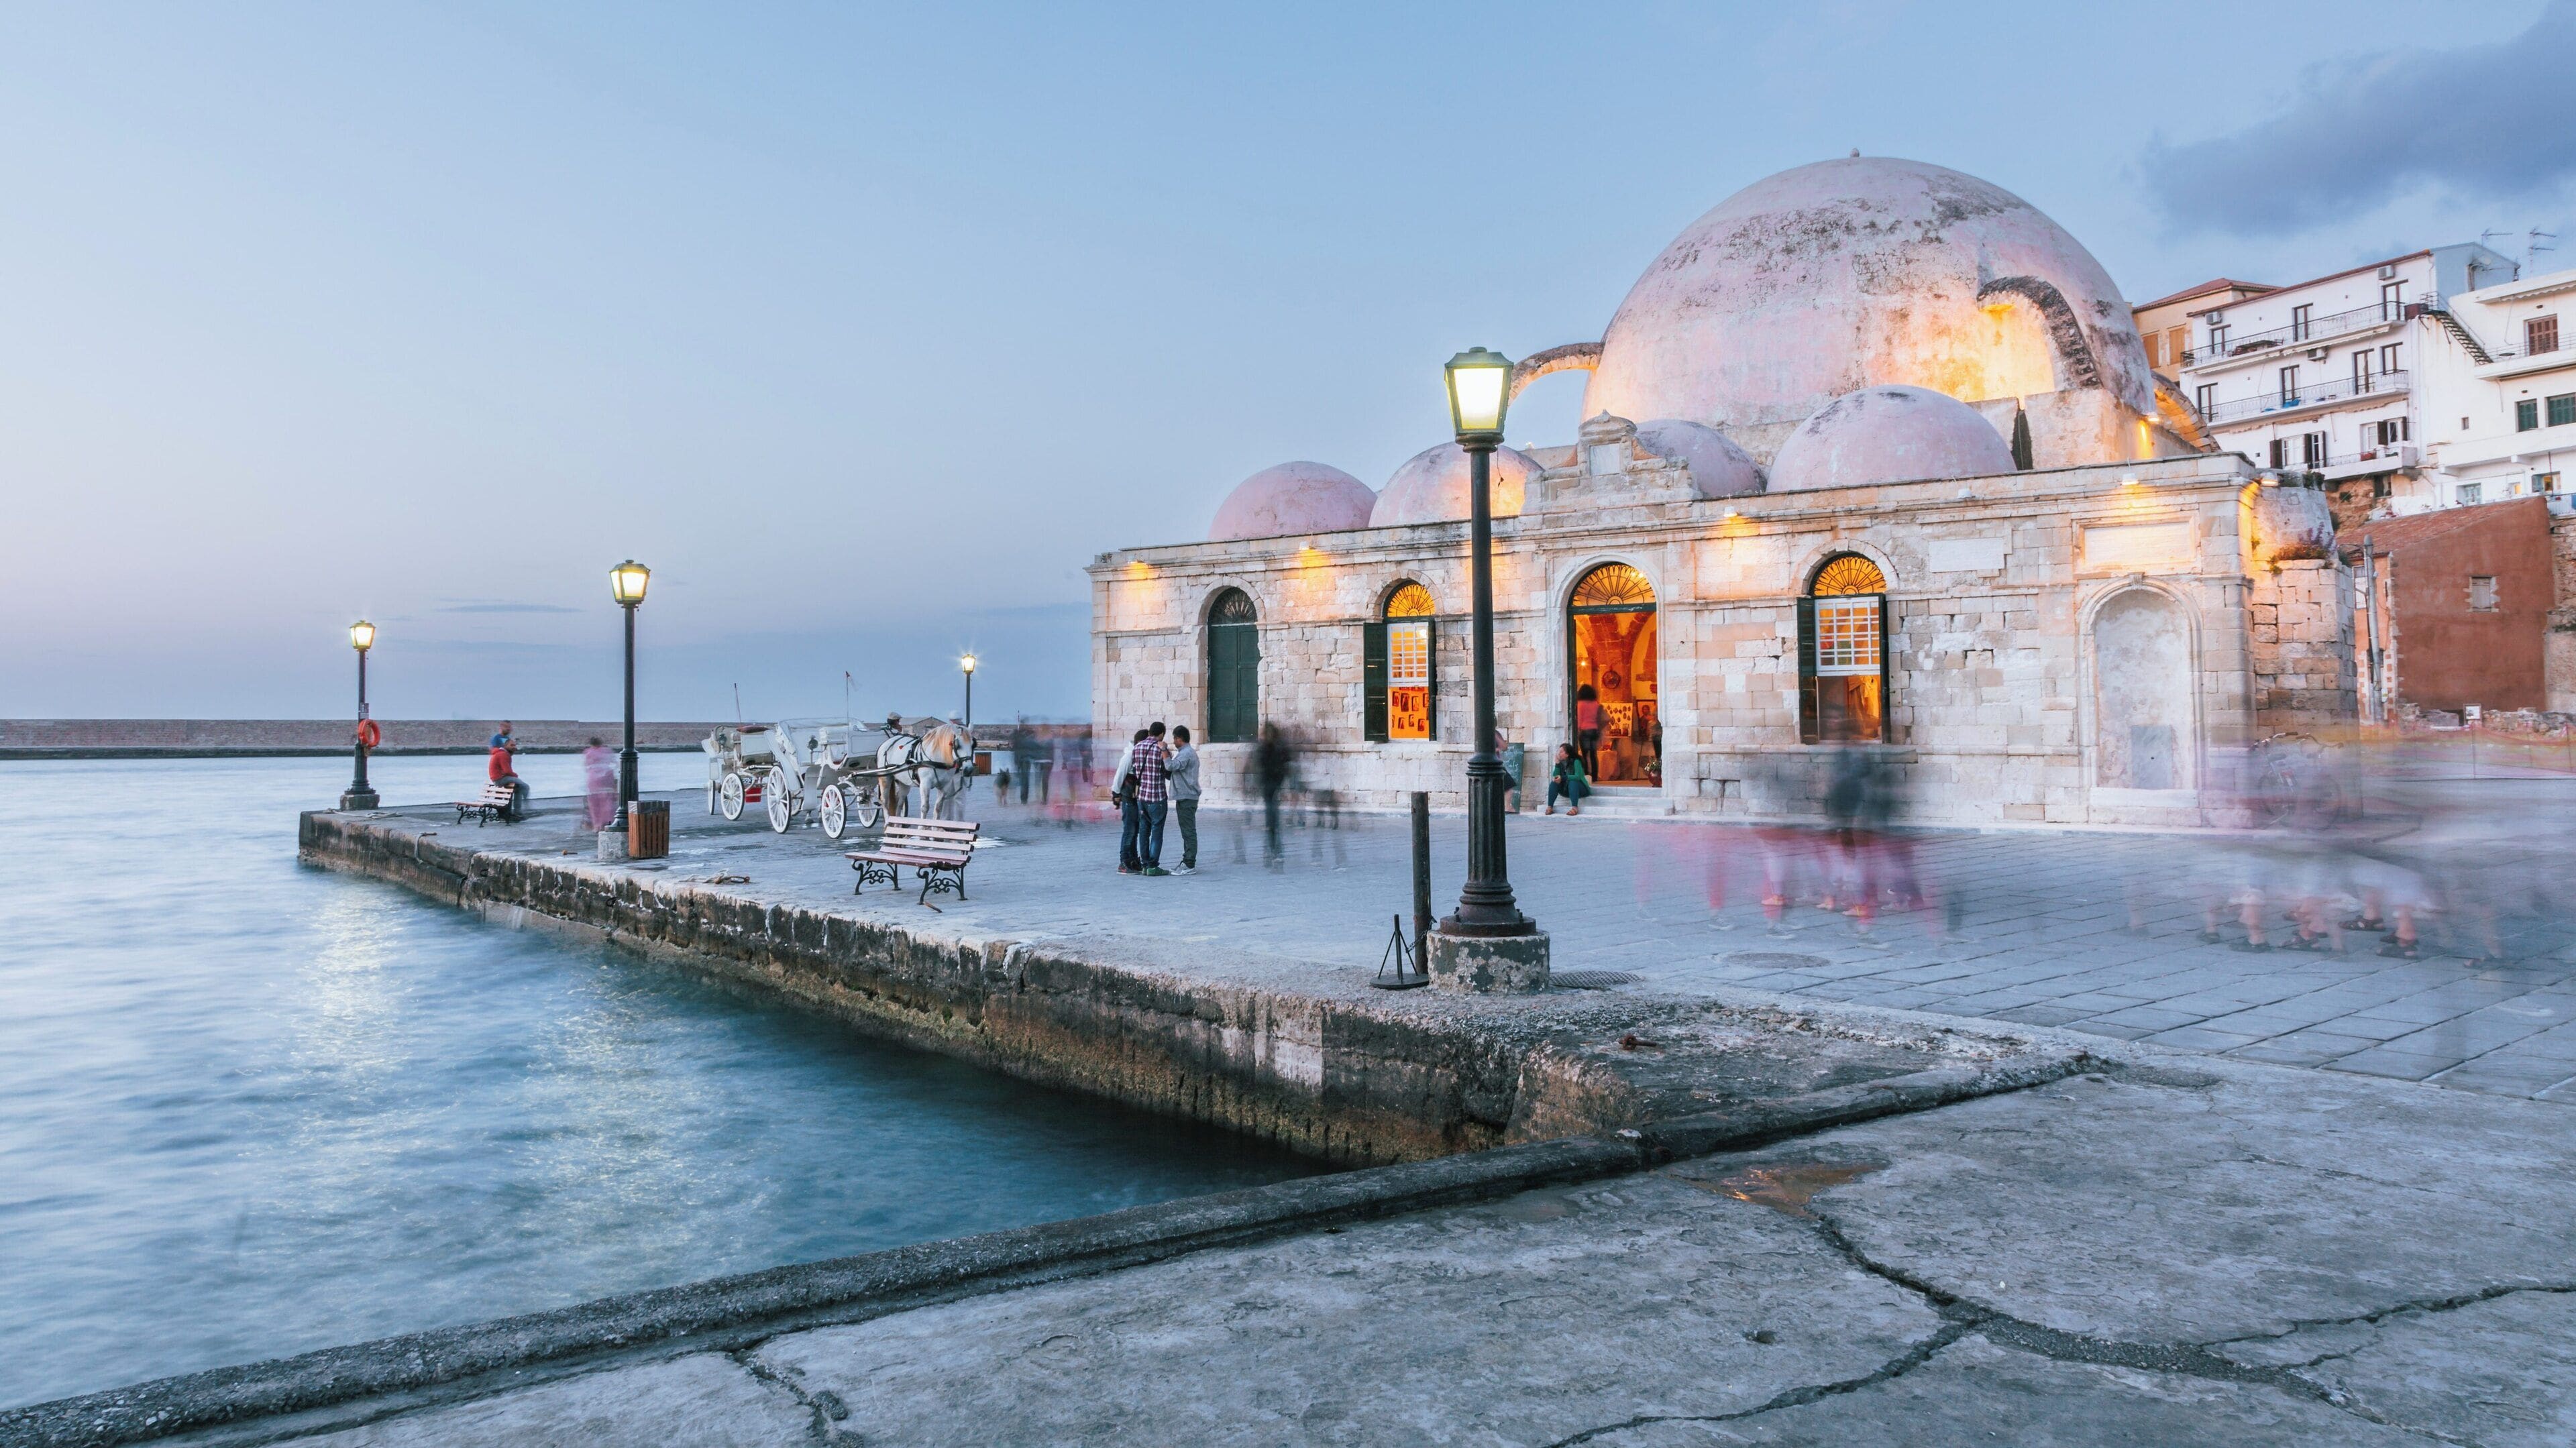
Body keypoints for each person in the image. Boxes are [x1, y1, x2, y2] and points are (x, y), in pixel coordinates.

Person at [1254, 723, 1293, 869]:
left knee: (1271, 820)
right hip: (1274, 786)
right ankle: (1275, 850)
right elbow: (1286, 765)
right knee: (1272, 820)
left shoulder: (1266, 747)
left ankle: (1274, 850)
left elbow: (1261, 766)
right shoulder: (1279, 746)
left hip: (1269, 787)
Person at [1113, 728, 1148, 873]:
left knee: (1135, 831)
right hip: (1128, 797)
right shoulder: (1129, 757)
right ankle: (1124, 861)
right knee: (1129, 830)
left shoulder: (1139, 755)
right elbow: (1119, 776)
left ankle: (1134, 860)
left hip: (1136, 798)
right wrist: (1115, 794)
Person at [1167, 724, 1201, 875]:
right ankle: (1187, 860)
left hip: (1188, 796)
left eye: (1175, 738)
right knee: (1186, 830)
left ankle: (1189, 864)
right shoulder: (1184, 753)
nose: (1174, 741)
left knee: (1188, 831)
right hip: (1185, 796)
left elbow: (1170, 766)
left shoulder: (1186, 753)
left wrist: (1164, 753)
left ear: (1180, 738)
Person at [488, 724, 527, 821]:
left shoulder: (501, 754)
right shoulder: (503, 755)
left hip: (497, 778)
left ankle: (516, 812)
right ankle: (526, 800)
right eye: (512, 745)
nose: (514, 747)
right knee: (524, 785)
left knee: (518, 788)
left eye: (515, 745)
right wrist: (516, 775)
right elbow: (507, 771)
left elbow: (507, 771)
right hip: (500, 779)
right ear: (505, 746)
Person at [581, 736, 617, 830]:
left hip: (593, 780)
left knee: (594, 804)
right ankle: (608, 823)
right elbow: (615, 763)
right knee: (608, 803)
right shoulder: (607, 751)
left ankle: (597, 826)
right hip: (607, 778)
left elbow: (586, 766)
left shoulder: (588, 752)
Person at [1546, 742, 1589, 816]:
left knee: (1573, 781)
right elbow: (1555, 776)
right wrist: (1557, 764)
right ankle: (1550, 807)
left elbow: (1578, 777)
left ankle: (1575, 808)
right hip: (1567, 790)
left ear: (1567, 754)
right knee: (1554, 782)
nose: (1559, 754)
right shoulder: (1561, 763)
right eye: (1559, 752)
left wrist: (1563, 778)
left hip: (1580, 789)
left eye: (1561, 752)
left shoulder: (1576, 762)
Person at [1574, 685, 1603, 778]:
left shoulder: (1580, 704)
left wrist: (1578, 729)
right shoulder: (1596, 704)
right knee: (1593, 754)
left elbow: (1579, 718)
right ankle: (1595, 776)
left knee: (1585, 754)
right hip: (1594, 730)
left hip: (1585, 730)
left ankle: (1587, 774)